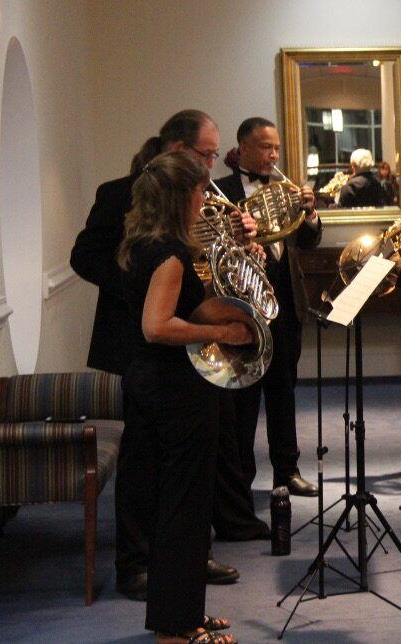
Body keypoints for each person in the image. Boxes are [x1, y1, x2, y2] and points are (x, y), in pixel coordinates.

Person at [71, 110, 263, 602]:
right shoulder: (125, 200)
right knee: (146, 465)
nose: (212, 168)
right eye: (206, 155)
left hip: (191, 351)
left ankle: (189, 555)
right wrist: (145, 291)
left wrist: (242, 244)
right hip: (149, 350)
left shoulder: (190, 217)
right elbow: (87, 258)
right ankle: (138, 563)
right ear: (178, 150)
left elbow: (206, 267)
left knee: (195, 464)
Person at [116, 150, 243, 644]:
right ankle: (175, 628)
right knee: (183, 508)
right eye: (201, 190)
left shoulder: (142, 244)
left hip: (151, 383)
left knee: (176, 504)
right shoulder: (169, 254)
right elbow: (157, 326)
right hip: (175, 389)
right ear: (184, 195)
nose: (204, 200)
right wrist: (223, 333)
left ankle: (183, 615)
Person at [214, 117, 321, 498]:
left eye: (276, 147)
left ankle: (287, 471)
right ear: (242, 148)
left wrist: (310, 215)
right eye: (265, 147)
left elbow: (306, 242)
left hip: (286, 305)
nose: (273, 155)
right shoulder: (222, 191)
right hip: (243, 308)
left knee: (283, 392)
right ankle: (240, 479)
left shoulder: (285, 190)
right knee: (243, 398)